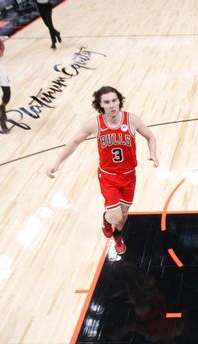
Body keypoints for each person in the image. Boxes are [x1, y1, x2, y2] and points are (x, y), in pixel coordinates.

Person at [46, 86, 159, 254]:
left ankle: (117, 236)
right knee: (115, 216)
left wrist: (153, 154)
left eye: (114, 100)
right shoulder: (95, 124)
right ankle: (107, 221)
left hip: (129, 176)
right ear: (100, 104)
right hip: (108, 177)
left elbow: (150, 136)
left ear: (119, 101)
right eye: (107, 102)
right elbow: (74, 141)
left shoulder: (132, 120)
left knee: (123, 215)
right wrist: (57, 161)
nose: (112, 105)